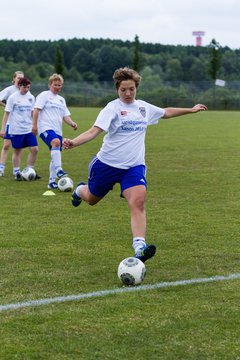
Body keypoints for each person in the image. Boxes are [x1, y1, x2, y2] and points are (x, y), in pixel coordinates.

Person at [63, 67, 208, 263]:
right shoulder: (112, 108)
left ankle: (139, 247)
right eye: (124, 90)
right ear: (117, 89)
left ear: (136, 87)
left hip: (134, 167)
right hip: (106, 164)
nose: (128, 93)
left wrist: (191, 110)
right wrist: (73, 142)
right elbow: (93, 131)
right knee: (91, 198)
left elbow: (166, 112)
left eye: (131, 89)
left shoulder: (143, 108)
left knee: (138, 202)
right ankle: (80, 190)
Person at [32, 73, 78, 189]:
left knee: (55, 151)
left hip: (58, 130)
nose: (57, 87)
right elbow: (36, 110)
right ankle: (59, 170)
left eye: (59, 85)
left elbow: (65, 115)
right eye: (55, 85)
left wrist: (72, 123)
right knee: (56, 143)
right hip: (45, 127)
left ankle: (52, 182)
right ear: (50, 85)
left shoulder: (61, 100)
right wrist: (34, 126)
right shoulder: (44, 95)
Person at [0, 77, 39, 180]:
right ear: (20, 86)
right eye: (25, 87)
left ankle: (30, 170)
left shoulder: (31, 97)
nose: (27, 89)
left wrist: (35, 125)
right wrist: (3, 129)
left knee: (35, 149)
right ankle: (17, 172)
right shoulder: (13, 97)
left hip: (28, 129)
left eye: (28, 87)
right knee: (17, 150)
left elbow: (32, 112)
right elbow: (6, 114)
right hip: (16, 129)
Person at [0, 71, 24, 176]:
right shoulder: (10, 90)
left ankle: (17, 170)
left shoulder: (24, 91)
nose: (20, 80)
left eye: (22, 78)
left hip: (21, 124)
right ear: (14, 79)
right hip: (10, 122)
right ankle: (1, 168)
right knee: (6, 146)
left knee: (18, 147)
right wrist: (6, 106)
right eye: (18, 78)